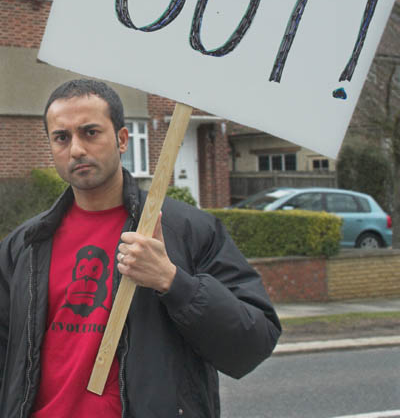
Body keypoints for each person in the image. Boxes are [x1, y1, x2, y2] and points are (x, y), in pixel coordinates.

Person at [0, 79, 281, 418]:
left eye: (90, 132)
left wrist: (173, 282)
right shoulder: (24, 246)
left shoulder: (189, 231)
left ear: (121, 139)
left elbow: (253, 343)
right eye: (62, 137)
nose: (76, 149)